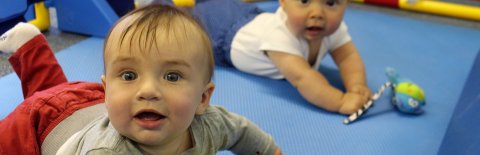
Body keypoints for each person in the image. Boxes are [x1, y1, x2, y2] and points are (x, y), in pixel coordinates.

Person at [0, 5, 281, 155]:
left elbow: (245, 135)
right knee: (44, 103)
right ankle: (30, 48)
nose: (148, 90)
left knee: (56, 89)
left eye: (172, 76)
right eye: (130, 75)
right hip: (41, 121)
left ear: (203, 99)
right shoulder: (107, 153)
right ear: (108, 88)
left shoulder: (210, 125)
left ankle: (30, 46)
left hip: (85, 107)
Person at [155, 0, 373, 115]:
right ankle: (155, 4)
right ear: (284, 3)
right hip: (222, 32)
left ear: (346, 5)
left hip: (250, 17)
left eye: (331, 3)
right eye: (304, 1)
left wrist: (357, 86)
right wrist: (341, 101)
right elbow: (303, 78)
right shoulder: (279, 37)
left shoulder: (334, 30)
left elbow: (348, 57)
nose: (317, 13)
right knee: (180, 23)